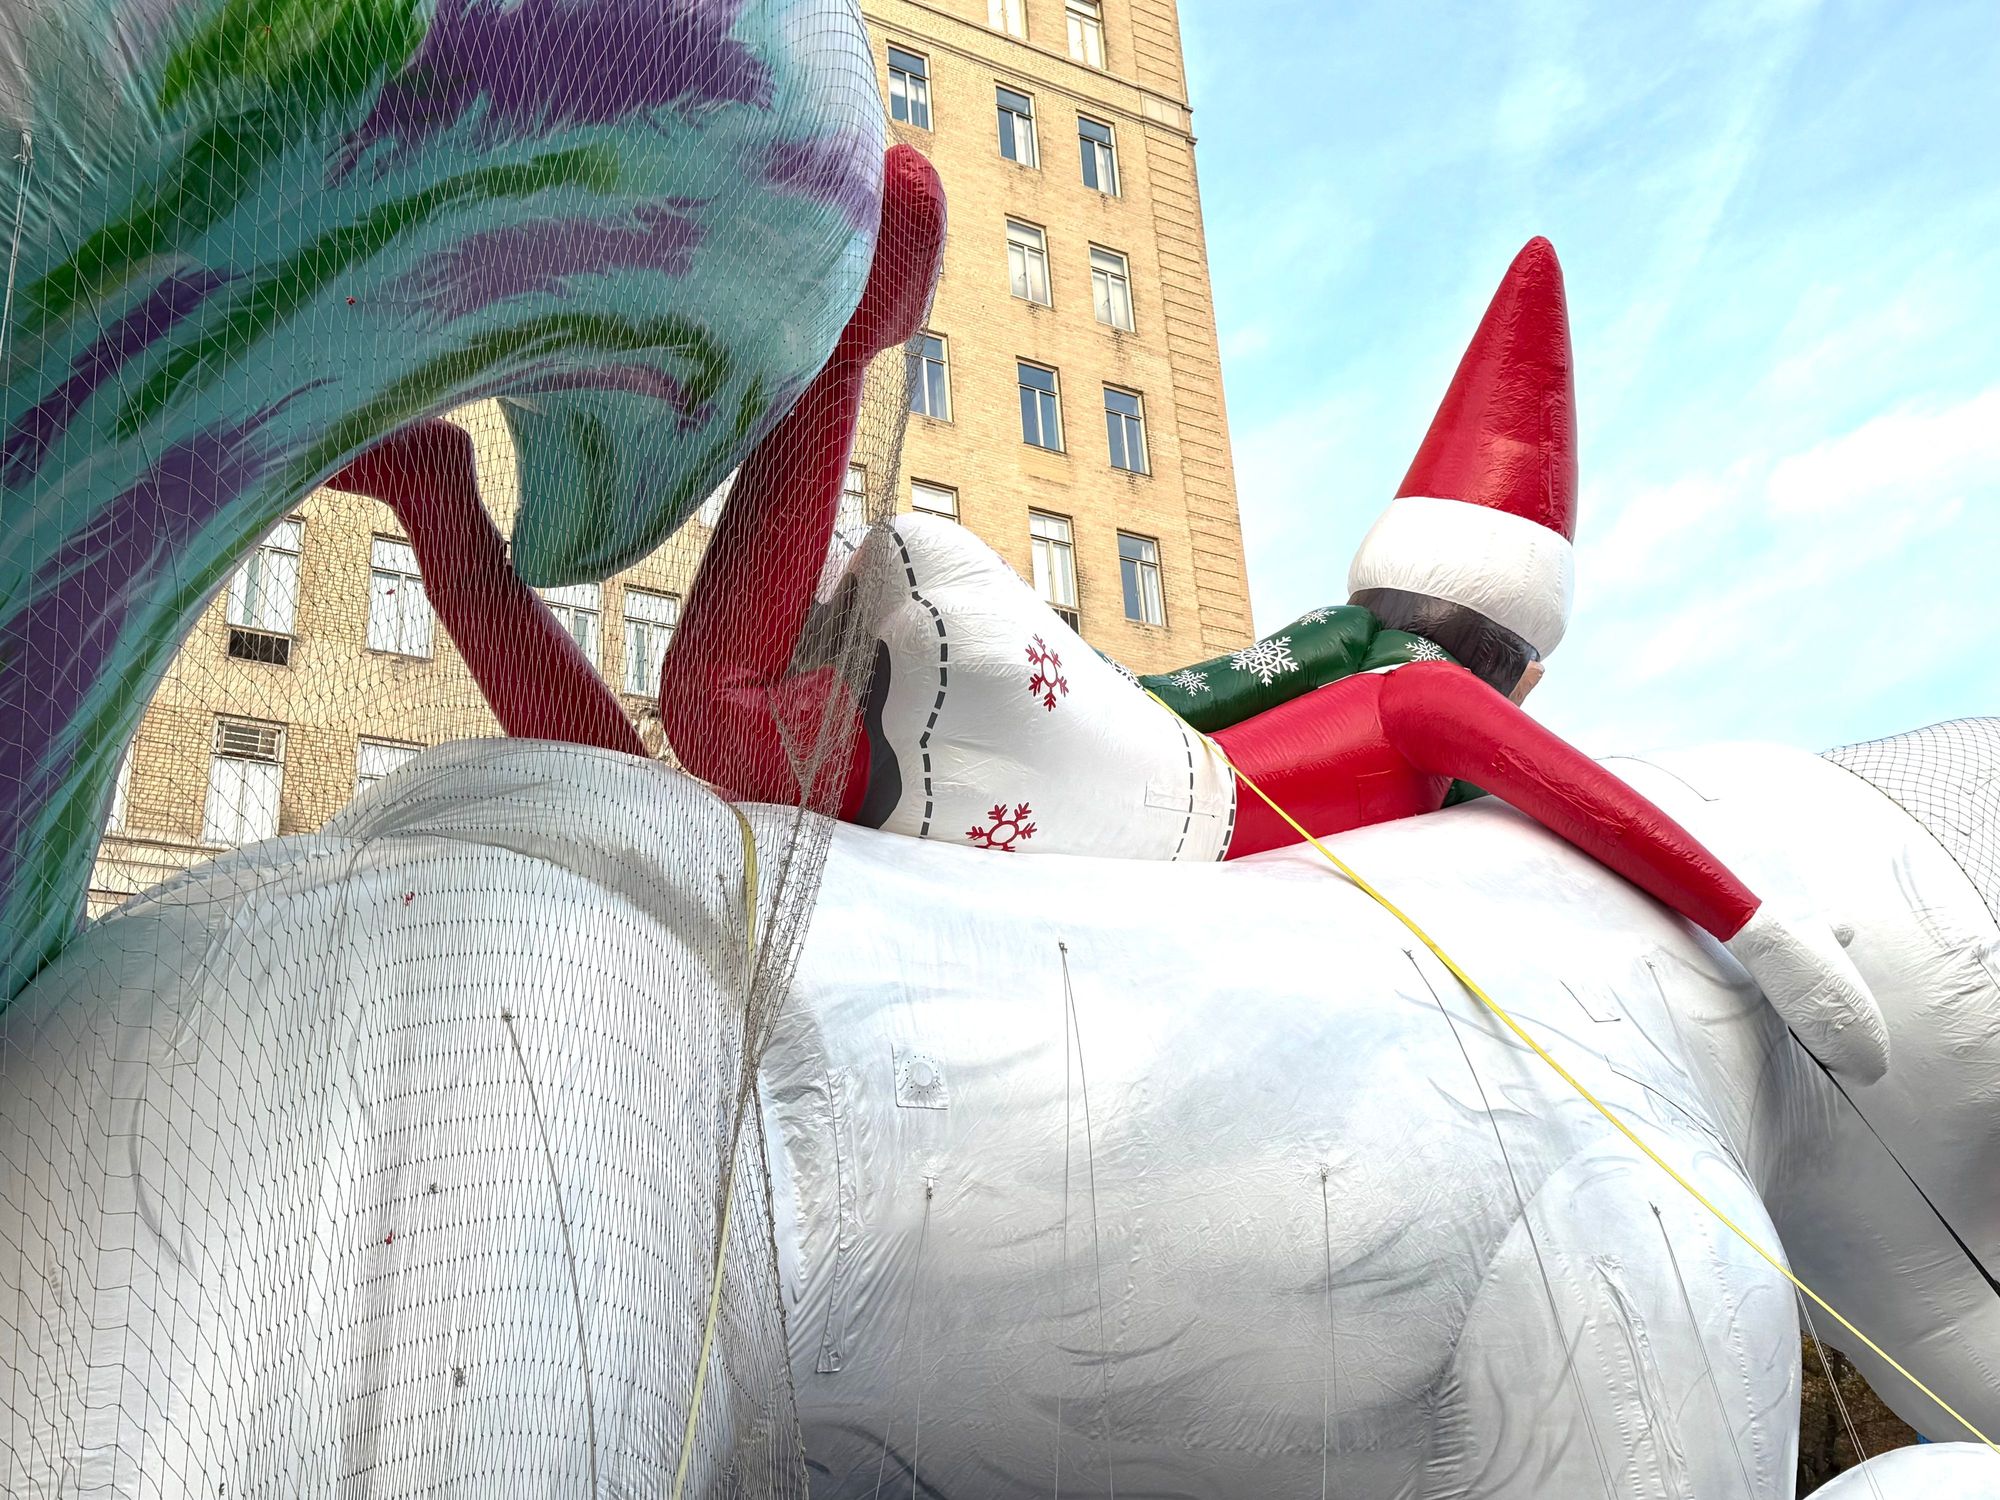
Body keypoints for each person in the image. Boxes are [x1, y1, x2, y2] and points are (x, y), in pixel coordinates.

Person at [331, 153, 1887, 1083]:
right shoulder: (1423, 709)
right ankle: (855, 340)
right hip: (1133, 817)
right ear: (1520, 669)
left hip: (1121, 805)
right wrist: (1764, 933)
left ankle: (440, 507)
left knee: (665, 809)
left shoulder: (1372, 717)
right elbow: (1585, 800)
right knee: (718, 714)